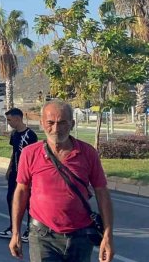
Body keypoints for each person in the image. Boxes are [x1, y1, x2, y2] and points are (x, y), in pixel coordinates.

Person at [9, 100, 114, 262]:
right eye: (50, 122)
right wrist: (15, 232)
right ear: (43, 123)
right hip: (42, 237)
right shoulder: (30, 153)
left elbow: (102, 192)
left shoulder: (87, 153)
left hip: (81, 236)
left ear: (72, 124)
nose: (56, 128)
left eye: (62, 122)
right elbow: (21, 191)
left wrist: (108, 235)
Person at [0, 108, 38, 242]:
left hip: (27, 174)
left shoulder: (30, 135)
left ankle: (30, 230)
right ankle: (13, 227)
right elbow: (14, 152)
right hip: (15, 172)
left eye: (9, 119)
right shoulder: (14, 134)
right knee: (11, 198)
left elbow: (34, 156)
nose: (8, 122)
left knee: (27, 202)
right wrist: (9, 168)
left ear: (17, 118)